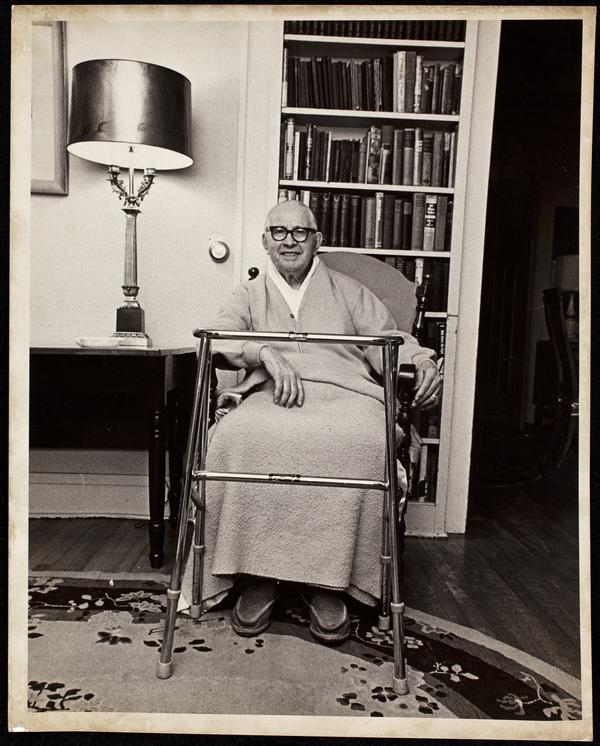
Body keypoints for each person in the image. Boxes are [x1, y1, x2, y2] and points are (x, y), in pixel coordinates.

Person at [180, 200, 442, 643]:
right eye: (279, 232)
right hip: (270, 394)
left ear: (317, 240)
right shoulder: (249, 294)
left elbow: (389, 340)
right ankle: (256, 573)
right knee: (235, 438)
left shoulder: (350, 291)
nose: (290, 241)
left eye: (300, 232)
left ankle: (330, 582)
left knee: (364, 442)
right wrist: (263, 351)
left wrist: (421, 360)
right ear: (265, 241)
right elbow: (220, 337)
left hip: (347, 395)